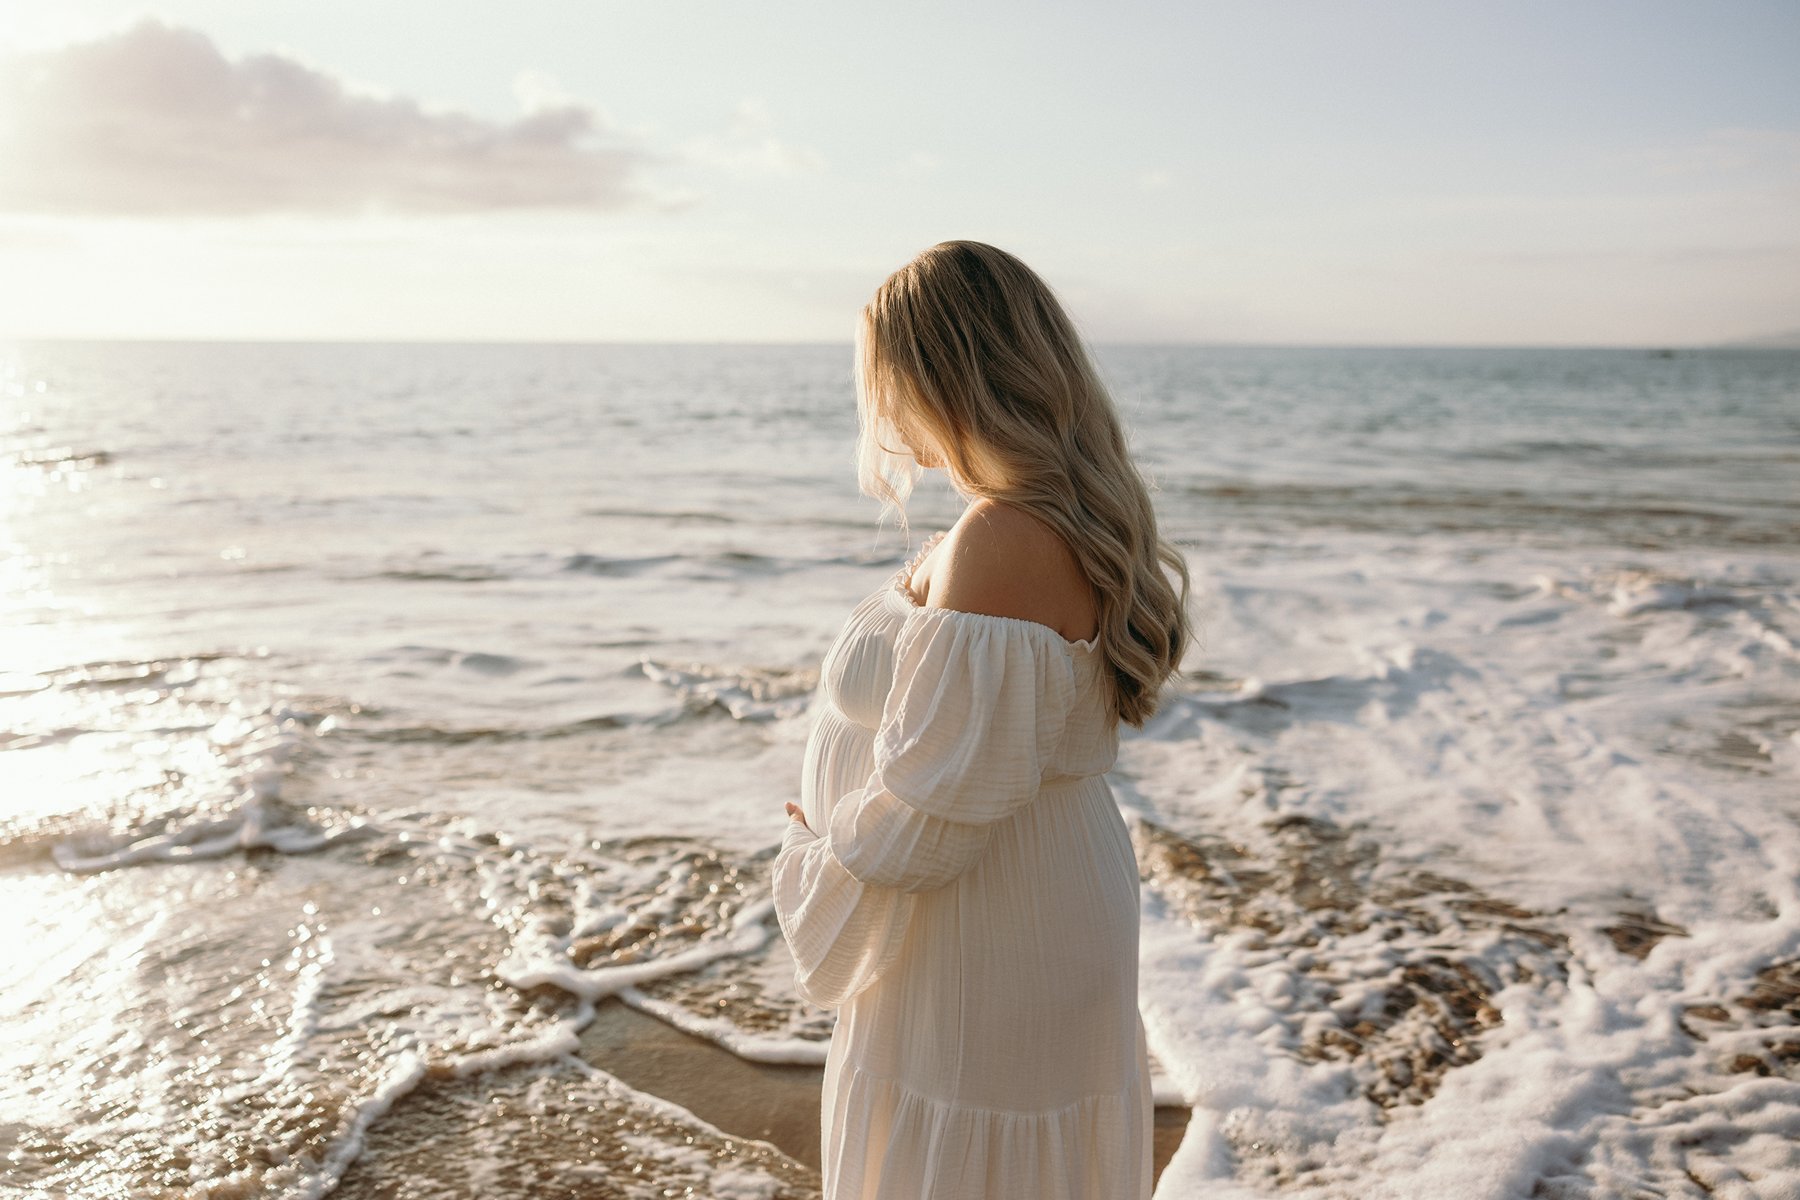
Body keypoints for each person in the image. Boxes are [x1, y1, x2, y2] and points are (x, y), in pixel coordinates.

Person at [771, 240, 1195, 1199]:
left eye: (886, 378)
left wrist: (817, 852)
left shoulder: (1002, 535)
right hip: (1023, 893)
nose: (879, 409)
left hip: (984, 920)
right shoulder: (1032, 518)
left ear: (939, 375)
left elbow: (937, 814)